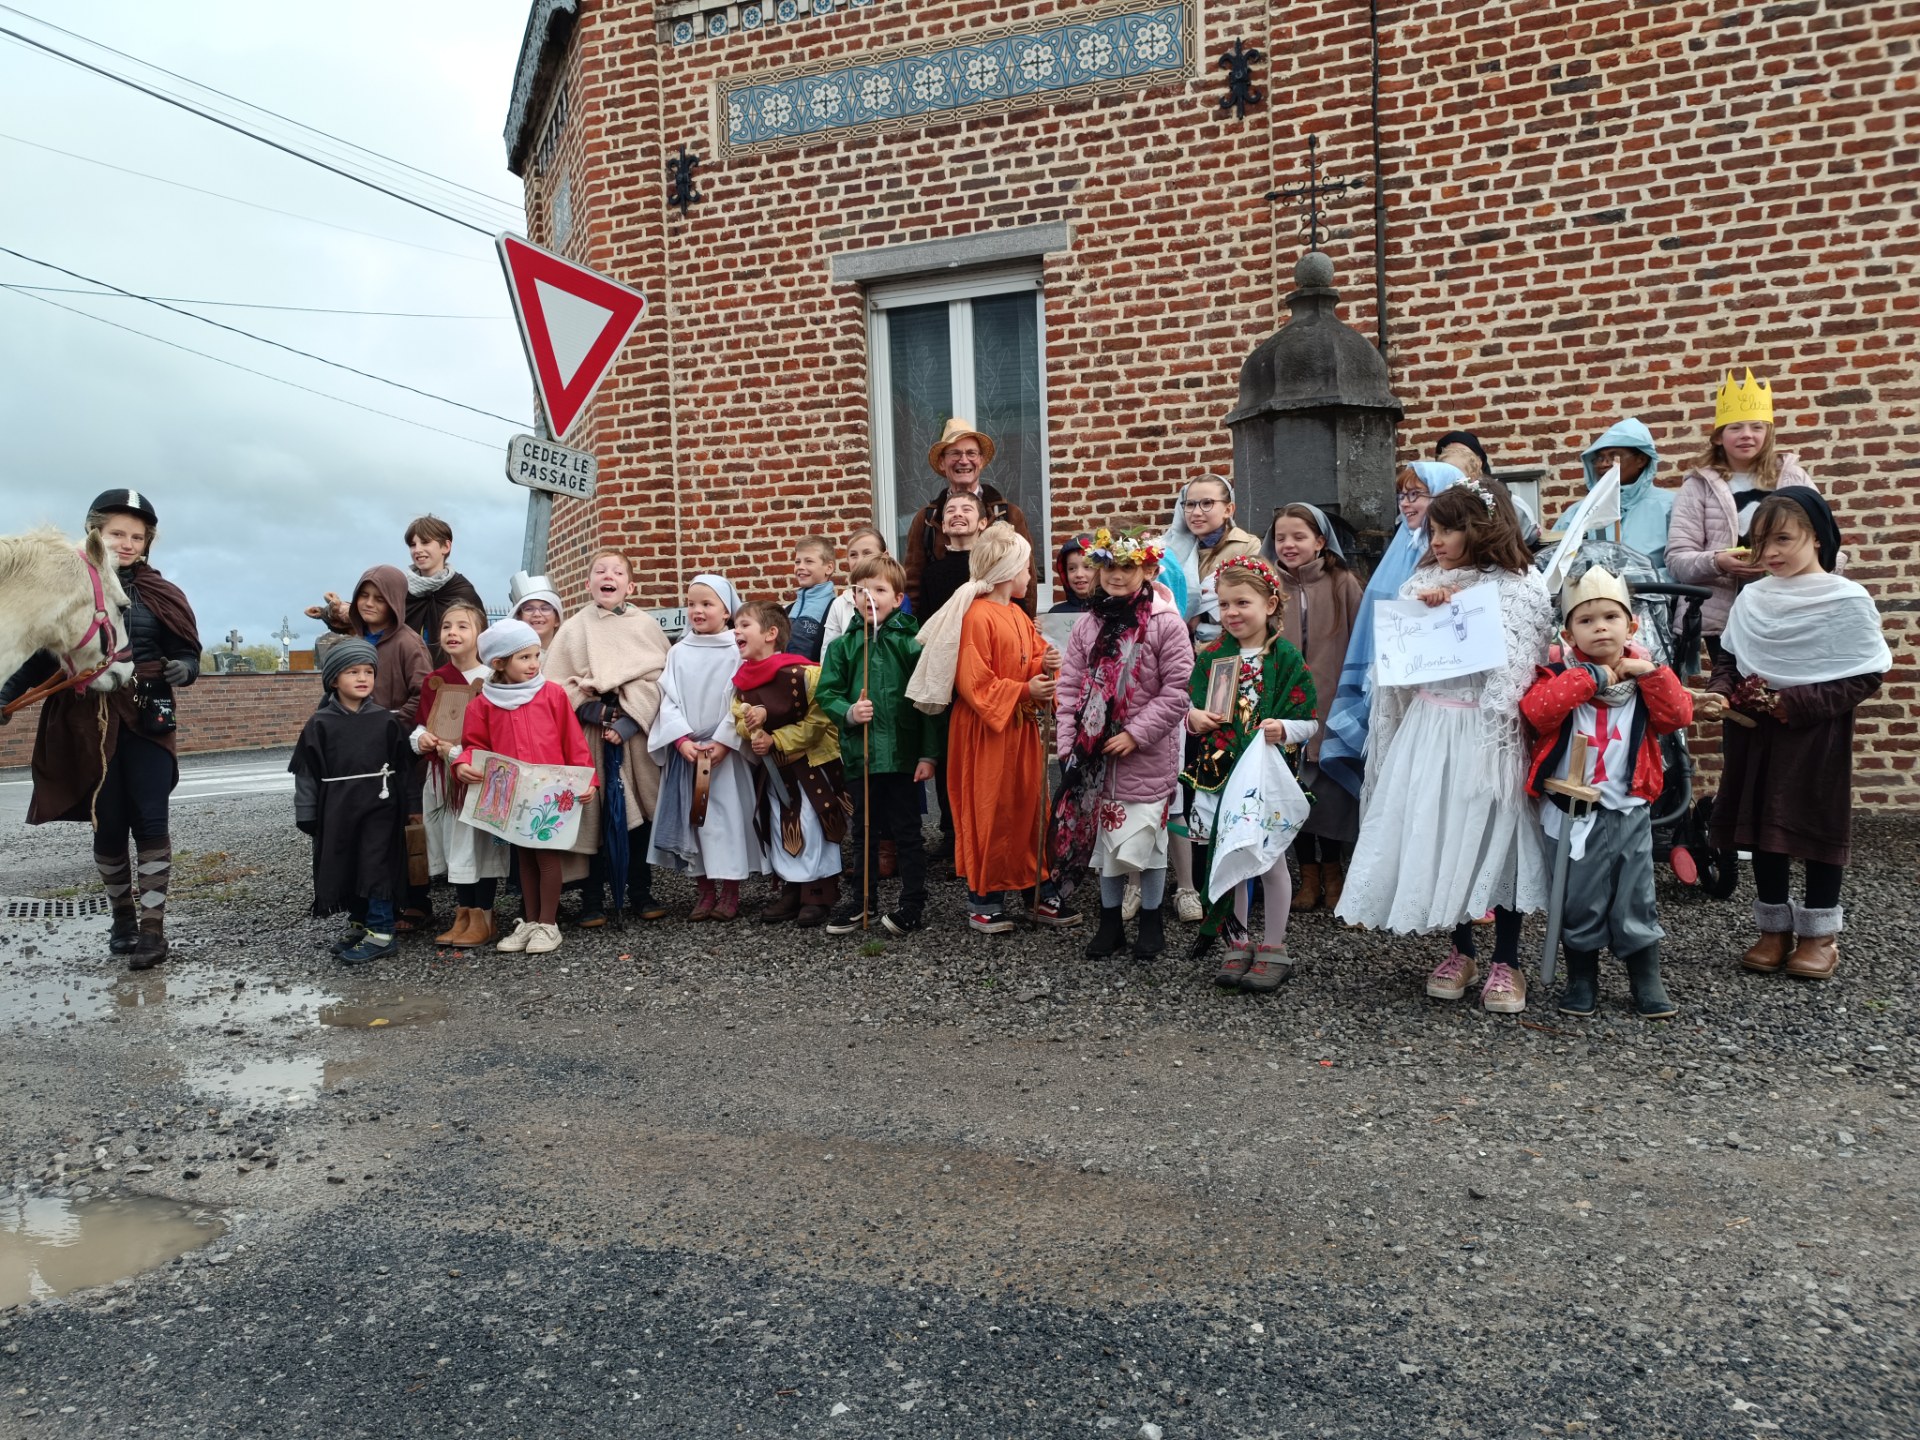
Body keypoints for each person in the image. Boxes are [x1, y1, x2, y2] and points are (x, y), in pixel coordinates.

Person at [1336, 480, 1557, 1013]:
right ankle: (1461, 949)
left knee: (1494, 836)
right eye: (1433, 529)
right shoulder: (1421, 584)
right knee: (1439, 830)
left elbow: (1519, 670)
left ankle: (1508, 958)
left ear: (1483, 527)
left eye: (1450, 528)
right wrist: (1433, 614)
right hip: (1431, 724)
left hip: (1487, 730)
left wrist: (1465, 615)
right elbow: (1403, 668)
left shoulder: (1521, 587)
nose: (1437, 540)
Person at [0, 489, 200, 970]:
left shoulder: (162, 594)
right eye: (116, 534)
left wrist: (184, 669)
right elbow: (41, 649)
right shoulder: (64, 588)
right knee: (107, 821)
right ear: (95, 534)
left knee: (151, 819)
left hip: (147, 715)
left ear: (147, 542)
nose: (127, 543)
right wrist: (7, 696)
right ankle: (123, 920)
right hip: (85, 719)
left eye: (137, 536)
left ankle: (153, 932)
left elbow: (189, 649)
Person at [1698, 491, 1888, 980]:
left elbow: (1864, 674)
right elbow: (1730, 658)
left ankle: (1820, 935)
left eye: (1783, 538)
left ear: (1818, 536)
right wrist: (1721, 692)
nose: (1771, 553)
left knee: (1816, 824)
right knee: (1763, 826)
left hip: (1812, 734)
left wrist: (1793, 704)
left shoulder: (1846, 599)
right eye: (1761, 543)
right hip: (1754, 733)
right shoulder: (1754, 596)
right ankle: (1773, 929)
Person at [1520, 565, 1693, 1018]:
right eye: (1586, 619)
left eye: (1610, 617)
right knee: (1580, 897)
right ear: (1568, 631)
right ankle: (1582, 977)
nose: (1600, 626)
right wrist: (1593, 677)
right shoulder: (1557, 675)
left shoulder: (1647, 678)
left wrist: (1650, 672)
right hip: (1572, 813)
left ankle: (1645, 977)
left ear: (1631, 624)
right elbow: (1537, 713)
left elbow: (1678, 716)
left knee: (1636, 894)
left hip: (1628, 808)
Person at [1046, 527, 1194, 960]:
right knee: (1105, 844)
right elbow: (1071, 685)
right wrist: (1069, 744)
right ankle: (1109, 923)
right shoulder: (1089, 623)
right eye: (1108, 566)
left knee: (1147, 841)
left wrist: (1135, 733)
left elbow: (1178, 690)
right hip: (1095, 755)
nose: (1116, 575)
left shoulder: (1166, 623)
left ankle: (1151, 923)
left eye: (1127, 567)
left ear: (1148, 569)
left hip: (1144, 753)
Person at [906, 521, 1056, 934]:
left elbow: (1030, 660)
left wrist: (1046, 668)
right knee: (990, 809)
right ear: (1009, 570)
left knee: (1027, 806)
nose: (1031, 576)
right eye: (1027, 568)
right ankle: (984, 899)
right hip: (986, 733)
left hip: (1018, 730)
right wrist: (1027, 688)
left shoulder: (1018, 616)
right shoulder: (977, 616)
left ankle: (1036, 889)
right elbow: (975, 682)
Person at [1183, 557, 1317, 991]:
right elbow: (1192, 706)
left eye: (1242, 602)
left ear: (1269, 602)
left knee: (1269, 860)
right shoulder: (1213, 658)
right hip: (1221, 774)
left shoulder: (1286, 658)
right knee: (1232, 859)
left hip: (1263, 778)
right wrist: (1194, 717)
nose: (1232, 613)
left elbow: (1309, 719)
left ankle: (1274, 946)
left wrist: (1284, 729)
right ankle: (1237, 941)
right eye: (1223, 605)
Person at [1318, 461, 1462, 800]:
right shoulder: (1403, 546)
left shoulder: (1449, 558)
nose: (1406, 504)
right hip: (1385, 674)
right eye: (1402, 495)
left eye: (1416, 495)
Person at [453, 619, 597, 955]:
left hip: (551, 794)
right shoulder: (483, 704)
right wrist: (462, 763)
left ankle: (548, 924)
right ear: (499, 664)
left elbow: (574, 741)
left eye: (536, 656)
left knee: (546, 856)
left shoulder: (553, 695)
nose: (534, 664)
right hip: (511, 796)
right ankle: (532, 922)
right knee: (524, 859)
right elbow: (473, 744)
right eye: (525, 658)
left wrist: (589, 779)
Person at [545, 548, 671, 923]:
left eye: (616, 571)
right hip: (590, 735)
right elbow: (554, 684)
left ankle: (641, 892)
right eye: (600, 570)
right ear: (589, 583)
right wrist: (590, 709)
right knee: (594, 816)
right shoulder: (573, 628)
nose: (607, 575)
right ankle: (592, 899)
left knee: (637, 816)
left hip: (632, 736)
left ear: (629, 585)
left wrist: (629, 721)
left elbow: (660, 680)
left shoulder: (645, 626)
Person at [816, 554, 938, 935]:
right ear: (852, 596)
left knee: (906, 831)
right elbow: (827, 692)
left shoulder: (912, 645)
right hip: (860, 755)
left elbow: (928, 703)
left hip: (902, 757)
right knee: (863, 832)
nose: (870, 597)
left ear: (898, 597)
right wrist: (850, 712)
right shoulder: (843, 647)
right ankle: (861, 901)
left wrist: (928, 753)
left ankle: (912, 902)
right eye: (861, 590)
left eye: (879, 590)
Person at [1666, 370, 1818, 661]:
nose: (1747, 435)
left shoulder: (1794, 478)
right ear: (1719, 437)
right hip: (1727, 613)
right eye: (1735, 427)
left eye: (1757, 427)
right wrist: (1717, 562)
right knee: (1737, 693)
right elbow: (1677, 560)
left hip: (1792, 607)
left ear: (1768, 433)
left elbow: (1827, 543)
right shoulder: (1698, 486)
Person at [1262, 503, 1365, 913]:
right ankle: (1307, 874)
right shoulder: (1267, 584)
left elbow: (1361, 640)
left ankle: (1333, 872)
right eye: (1281, 537)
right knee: (1293, 789)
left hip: (1332, 699)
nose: (1289, 544)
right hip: (1285, 705)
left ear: (1320, 542)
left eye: (1299, 537)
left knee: (1332, 794)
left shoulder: (1343, 583)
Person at [647, 574, 764, 922]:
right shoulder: (679, 652)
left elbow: (741, 699)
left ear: (727, 611)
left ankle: (729, 890)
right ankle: (704, 890)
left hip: (722, 754)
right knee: (694, 822)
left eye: (707, 604)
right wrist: (681, 739)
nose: (697, 610)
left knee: (725, 822)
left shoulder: (736, 649)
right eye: (692, 603)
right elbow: (668, 700)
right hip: (689, 754)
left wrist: (725, 742)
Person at [291, 638, 413, 964]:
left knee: (376, 865)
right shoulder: (320, 724)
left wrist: (410, 807)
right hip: (338, 809)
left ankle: (382, 932)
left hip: (380, 807)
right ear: (333, 680)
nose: (363, 678)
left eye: (368, 671)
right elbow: (305, 771)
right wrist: (306, 812)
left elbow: (403, 767)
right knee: (347, 862)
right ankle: (359, 924)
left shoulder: (385, 720)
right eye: (352, 672)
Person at [732, 602, 849, 927]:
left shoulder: (804, 673)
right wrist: (750, 727)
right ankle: (793, 887)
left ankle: (821, 891)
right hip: (776, 772)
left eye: (744, 625)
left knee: (814, 823)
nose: (736, 632)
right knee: (782, 823)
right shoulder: (742, 681)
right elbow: (737, 716)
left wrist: (778, 738)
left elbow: (821, 717)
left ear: (771, 634)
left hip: (811, 766)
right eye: (735, 626)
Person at [408, 599, 508, 949]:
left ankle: (485, 914)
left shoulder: (492, 680)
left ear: (480, 634)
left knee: (479, 845)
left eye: (463, 626)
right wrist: (421, 738)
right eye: (447, 626)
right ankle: (464, 912)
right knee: (455, 843)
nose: (453, 632)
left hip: (475, 775)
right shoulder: (435, 681)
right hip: (443, 776)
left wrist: (460, 753)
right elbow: (423, 722)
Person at [308, 515, 488, 669]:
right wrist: (333, 611)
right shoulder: (401, 588)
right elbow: (377, 620)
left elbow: (480, 641)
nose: (417, 550)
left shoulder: (462, 592)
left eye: (425, 542)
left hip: (450, 681)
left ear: (445, 547)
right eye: (412, 544)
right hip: (402, 675)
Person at [916, 488, 988, 857]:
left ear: (983, 522)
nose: (958, 514)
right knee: (948, 755)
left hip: (985, 670)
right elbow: (927, 624)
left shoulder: (992, 567)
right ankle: (951, 833)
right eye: (951, 511)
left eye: (966, 509)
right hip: (949, 670)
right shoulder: (934, 572)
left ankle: (984, 831)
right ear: (943, 525)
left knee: (983, 755)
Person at [903, 418, 1036, 617]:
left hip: (998, 631)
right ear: (942, 462)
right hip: (944, 633)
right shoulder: (926, 519)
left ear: (981, 461)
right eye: (955, 453)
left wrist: (1026, 629)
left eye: (971, 453)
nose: (963, 460)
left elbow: (1027, 579)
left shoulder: (1009, 515)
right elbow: (913, 585)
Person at [1163, 475, 1261, 645]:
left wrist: (1200, 614)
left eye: (1207, 503)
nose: (1196, 512)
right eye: (1190, 504)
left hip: (1232, 646)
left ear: (1228, 510)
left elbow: (1252, 600)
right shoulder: (1170, 553)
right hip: (1179, 649)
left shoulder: (1247, 547)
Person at [1577, 418, 1674, 576]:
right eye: (1599, 458)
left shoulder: (1671, 506)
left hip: (1658, 598)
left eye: (1614, 456)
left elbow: (1683, 566)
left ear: (1641, 460)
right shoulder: (1578, 512)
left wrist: (1639, 582)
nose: (1603, 464)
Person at [821, 527, 912, 654]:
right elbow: (828, 652)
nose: (859, 560)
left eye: (867, 553)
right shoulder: (839, 604)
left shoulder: (896, 599)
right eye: (853, 555)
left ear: (884, 556)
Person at [787, 534, 839, 663]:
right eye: (797, 562)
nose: (800, 567)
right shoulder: (788, 610)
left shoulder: (835, 607)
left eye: (809, 561)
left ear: (829, 568)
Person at [509, 570, 565, 650]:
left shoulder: (570, 656)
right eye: (529, 609)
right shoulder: (509, 660)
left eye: (545, 609)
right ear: (519, 618)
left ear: (557, 619)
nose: (537, 614)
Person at [1048, 535, 1098, 614]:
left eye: (1087, 567)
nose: (1079, 574)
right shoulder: (1056, 614)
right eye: (1072, 569)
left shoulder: (1113, 611)